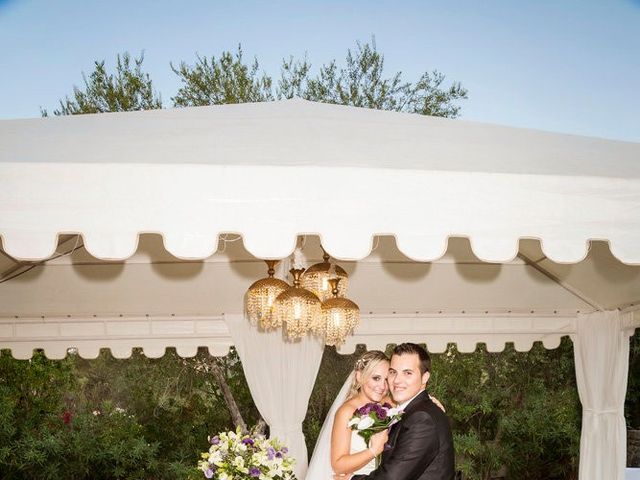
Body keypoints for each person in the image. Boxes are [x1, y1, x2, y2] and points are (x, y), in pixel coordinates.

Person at [351, 343, 455, 480]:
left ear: (425, 377)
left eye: (407, 373)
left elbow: (393, 477)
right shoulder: (413, 411)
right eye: (393, 372)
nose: (397, 380)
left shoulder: (422, 418)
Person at [306, 350, 391, 479]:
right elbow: (338, 465)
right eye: (376, 378)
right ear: (359, 376)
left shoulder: (388, 404)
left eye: (387, 380)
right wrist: (373, 451)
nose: (382, 386)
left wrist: (432, 402)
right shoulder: (346, 412)